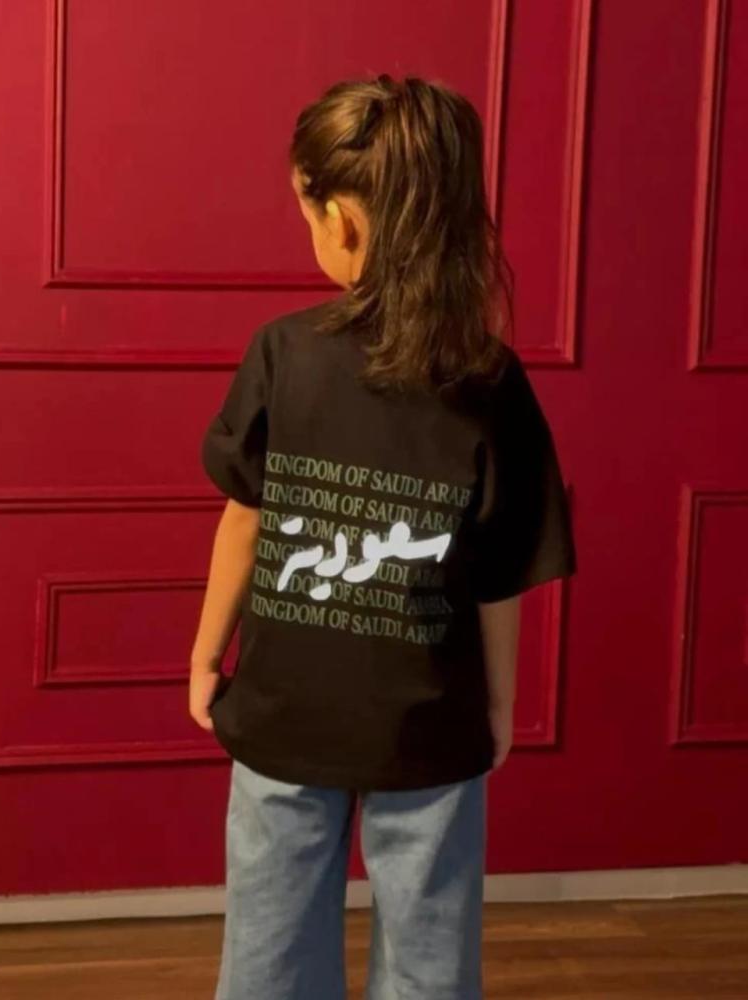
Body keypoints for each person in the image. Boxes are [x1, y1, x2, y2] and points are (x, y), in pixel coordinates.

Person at [190, 73, 577, 1000]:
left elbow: (244, 515)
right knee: (430, 952)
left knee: (268, 952)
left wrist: (206, 654)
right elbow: (498, 573)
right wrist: (498, 707)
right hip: (429, 724)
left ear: (344, 222)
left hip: (285, 715)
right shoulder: (491, 378)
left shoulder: (283, 351)